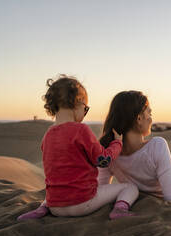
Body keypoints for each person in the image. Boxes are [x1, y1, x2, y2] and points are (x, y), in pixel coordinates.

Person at [17, 75, 138, 221]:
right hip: (82, 203)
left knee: (58, 187)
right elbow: (103, 160)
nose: (85, 113)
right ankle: (120, 209)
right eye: (85, 108)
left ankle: (42, 209)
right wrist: (117, 143)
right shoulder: (81, 130)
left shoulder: (47, 136)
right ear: (78, 102)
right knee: (130, 188)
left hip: (55, 207)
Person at [98, 91, 171, 203]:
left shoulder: (107, 153)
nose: (151, 119)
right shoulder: (156, 146)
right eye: (149, 113)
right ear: (139, 119)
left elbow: (100, 191)